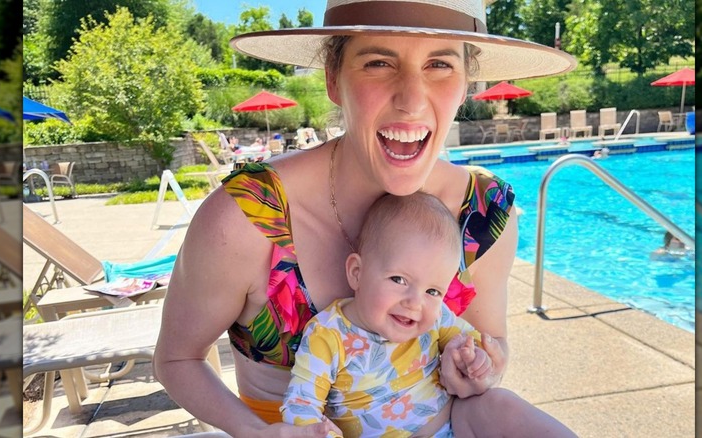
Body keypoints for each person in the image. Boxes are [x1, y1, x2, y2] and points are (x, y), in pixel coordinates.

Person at [154, 1, 578, 436]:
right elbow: (176, 359)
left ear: (466, 83)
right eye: (378, 62)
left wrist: (480, 369)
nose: (411, 101)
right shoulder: (246, 217)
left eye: (439, 64)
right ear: (333, 79)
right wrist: (253, 432)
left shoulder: (482, 212)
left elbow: (493, 342)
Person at [281, 193, 494, 437]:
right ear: (357, 272)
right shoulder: (329, 335)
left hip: (456, 422)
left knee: (501, 402)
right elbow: (300, 404)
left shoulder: (437, 318)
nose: (415, 302)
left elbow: (471, 339)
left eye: (433, 291)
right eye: (399, 279)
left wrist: (473, 357)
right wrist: (318, 431)